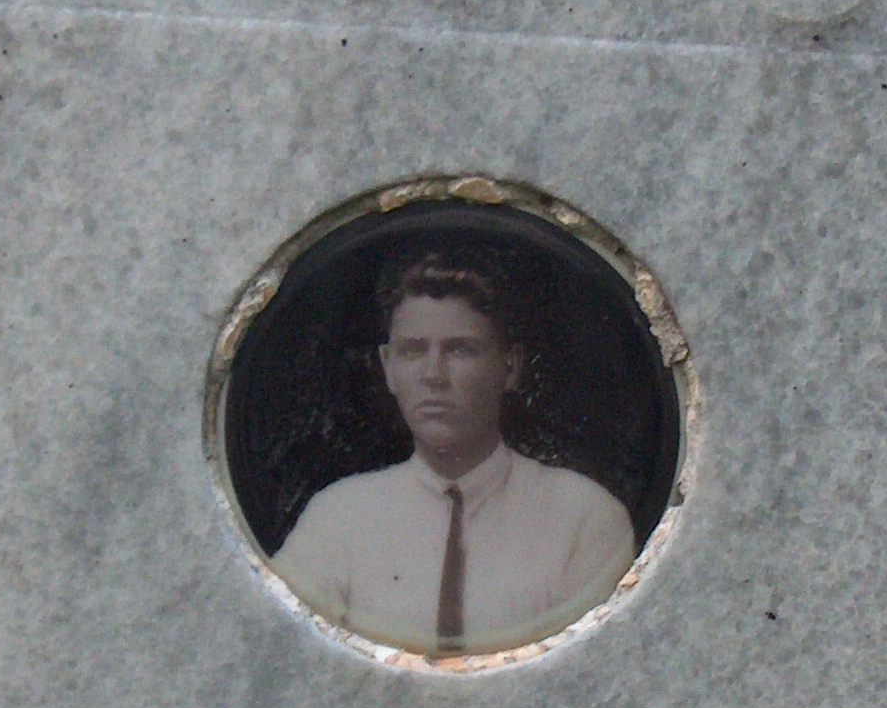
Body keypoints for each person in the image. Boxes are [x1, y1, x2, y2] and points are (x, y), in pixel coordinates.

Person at [272, 250, 636, 654]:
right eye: (412, 350)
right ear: (388, 367)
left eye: (460, 350)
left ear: (510, 367)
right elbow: (282, 657)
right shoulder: (337, 518)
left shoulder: (584, 517)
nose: (433, 376)